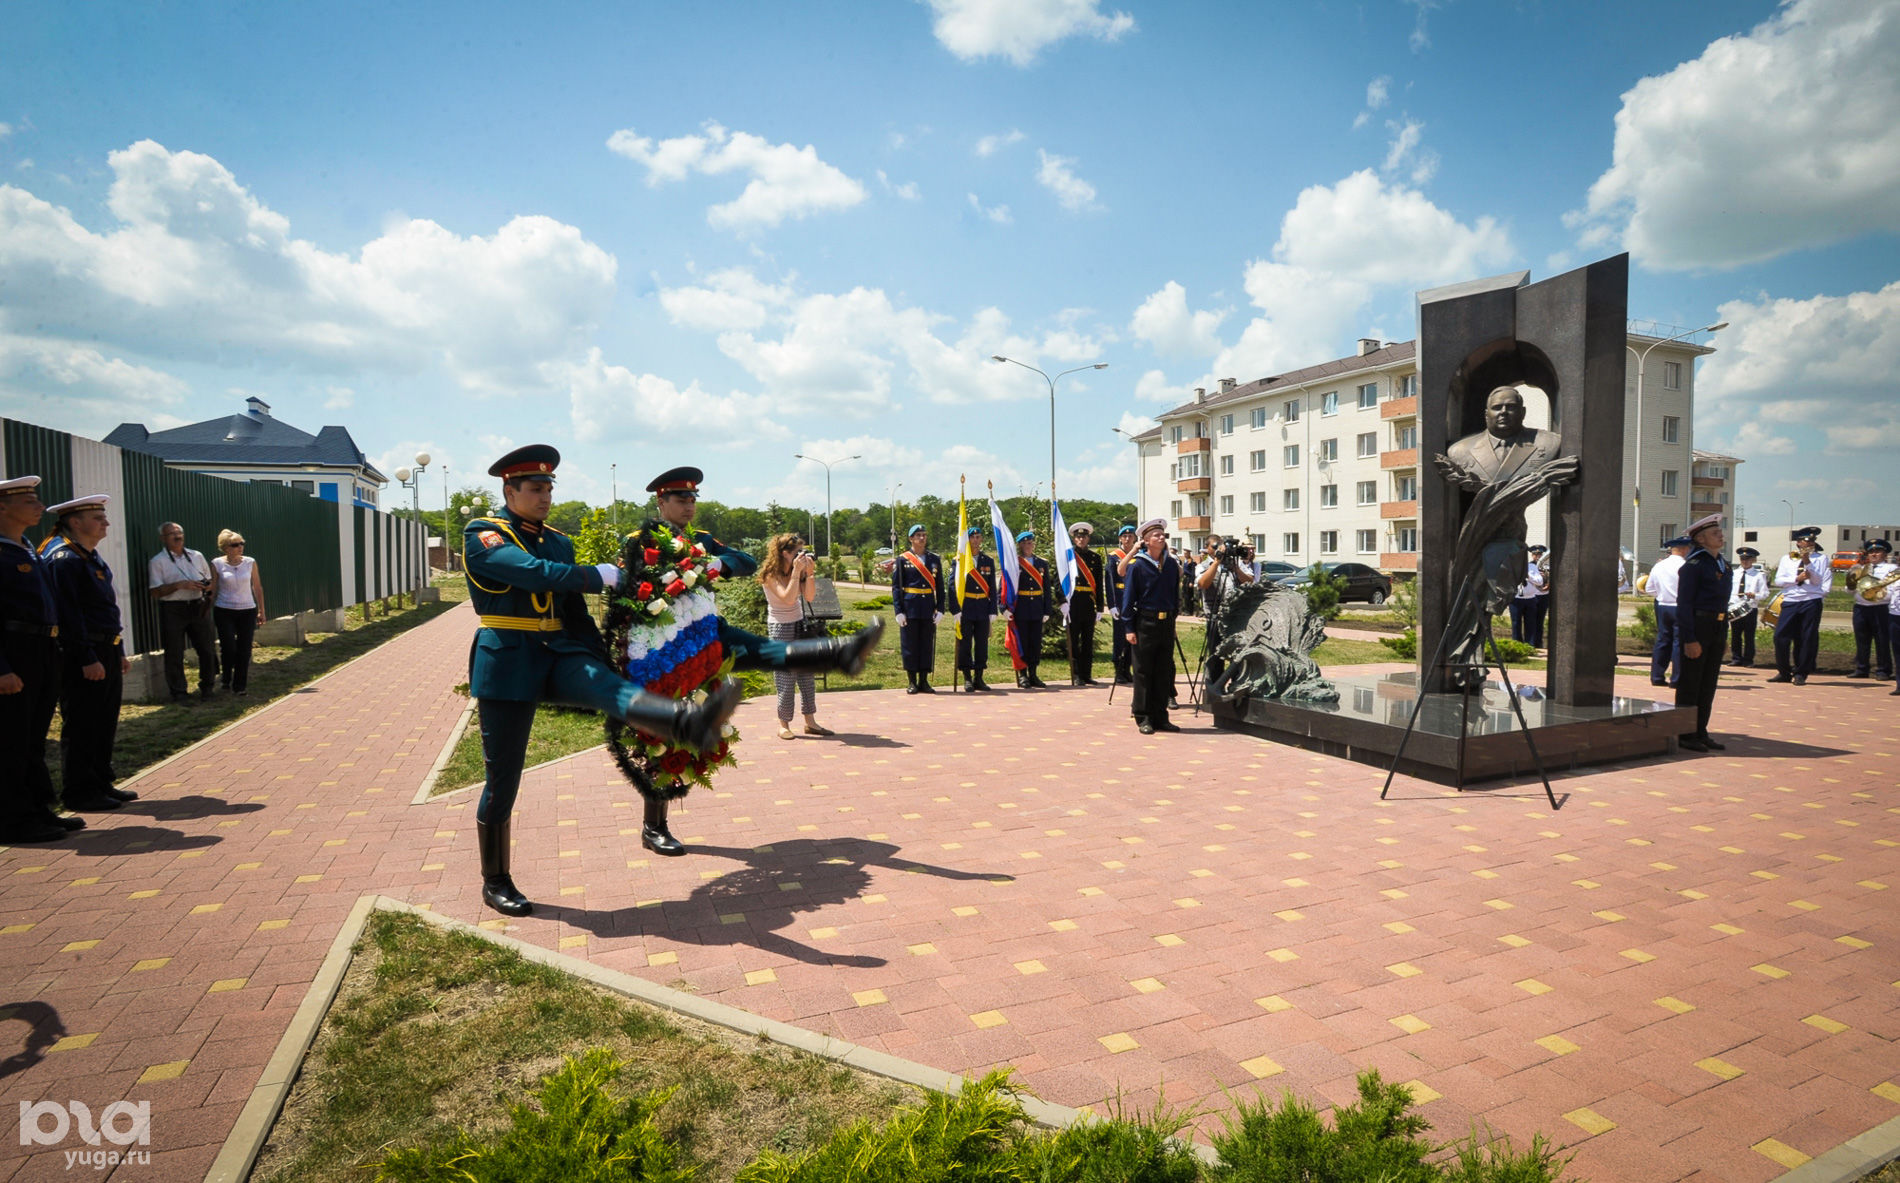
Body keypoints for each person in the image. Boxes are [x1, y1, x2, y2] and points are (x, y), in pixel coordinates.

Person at [463, 446, 743, 917]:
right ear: (509, 490)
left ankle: (685, 722)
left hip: (560, 650)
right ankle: (496, 879)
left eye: (550, 488)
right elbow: (529, 575)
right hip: (508, 659)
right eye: (536, 488)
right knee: (504, 776)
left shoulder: (557, 540)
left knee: (614, 691)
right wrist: (597, 575)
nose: (545, 496)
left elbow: (572, 612)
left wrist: (602, 656)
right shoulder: (485, 534)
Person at [604, 465, 883, 858]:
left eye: (692, 499)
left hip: (707, 631)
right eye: (681, 499)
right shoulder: (639, 540)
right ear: (660, 502)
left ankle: (839, 653)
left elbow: (747, 560)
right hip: (662, 649)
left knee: (760, 650)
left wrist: (720, 563)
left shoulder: (701, 540)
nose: (689, 505)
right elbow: (626, 590)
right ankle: (655, 825)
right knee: (663, 737)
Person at [0, 477, 84, 843]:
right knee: (11, 741)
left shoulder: (27, 549)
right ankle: (13, 820)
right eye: (29, 499)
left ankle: (37, 808)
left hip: (41, 652)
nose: (39, 506)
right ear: (2, 507)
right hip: (14, 652)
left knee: (33, 738)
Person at [44, 494, 138, 812]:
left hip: (105, 647)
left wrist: (119, 649)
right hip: (85, 651)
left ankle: (100, 781)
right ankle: (80, 791)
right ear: (75, 522)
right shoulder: (64, 559)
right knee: (83, 722)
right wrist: (86, 657)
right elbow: (69, 615)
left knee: (103, 720)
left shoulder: (89, 557)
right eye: (97, 518)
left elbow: (105, 610)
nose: (105, 522)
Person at [1673, 514, 1731, 753]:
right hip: (1698, 627)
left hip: (1717, 627)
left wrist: (1723, 636)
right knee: (1691, 683)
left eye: (1719, 531)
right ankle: (1685, 734)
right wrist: (1689, 638)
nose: (1721, 535)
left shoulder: (1723, 564)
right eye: (1715, 533)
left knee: (1708, 683)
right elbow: (1684, 605)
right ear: (1701, 539)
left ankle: (1700, 731)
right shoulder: (1693, 566)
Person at [760, 532, 827, 740]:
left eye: (803, 551)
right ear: (784, 553)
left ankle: (810, 722)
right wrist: (797, 572)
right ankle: (784, 724)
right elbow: (788, 599)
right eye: (797, 552)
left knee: (807, 675)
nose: (801, 555)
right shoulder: (770, 575)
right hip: (780, 627)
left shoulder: (797, 571)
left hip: (800, 625)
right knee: (786, 677)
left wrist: (810, 573)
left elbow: (809, 597)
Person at [1122, 518, 1181, 735]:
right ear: (1146, 541)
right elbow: (1128, 599)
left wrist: (1173, 620)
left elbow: (1175, 595)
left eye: (1162, 535)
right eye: (1156, 535)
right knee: (1144, 671)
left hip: (1165, 623)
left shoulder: (1171, 564)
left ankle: (1160, 716)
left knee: (1163, 671)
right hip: (1144, 623)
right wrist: (1129, 628)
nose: (1161, 538)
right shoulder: (1138, 565)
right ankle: (1143, 716)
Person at [147, 522, 219, 702]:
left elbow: (209, 580)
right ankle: (179, 692)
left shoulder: (196, 555)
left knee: (206, 648)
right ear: (163, 538)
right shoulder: (157, 561)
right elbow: (155, 592)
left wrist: (206, 588)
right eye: (171, 533)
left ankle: (208, 687)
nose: (177, 536)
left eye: (179, 532)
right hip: (173, 609)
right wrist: (179, 585)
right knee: (174, 651)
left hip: (197, 605)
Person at [1769, 527, 1832, 686]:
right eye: (1805, 541)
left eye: (1811, 541)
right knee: (1780, 636)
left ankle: (1801, 673)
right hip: (1791, 600)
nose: (1808, 543)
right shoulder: (1786, 559)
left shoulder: (1820, 558)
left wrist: (1807, 562)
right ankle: (1784, 671)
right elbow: (1779, 581)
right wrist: (1797, 578)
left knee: (1806, 638)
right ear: (1798, 543)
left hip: (1811, 600)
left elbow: (1817, 581)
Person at [1196, 534, 1255, 692]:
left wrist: (1234, 568)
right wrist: (1216, 562)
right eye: (1214, 547)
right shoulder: (1203, 566)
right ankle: (1215, 687)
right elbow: (1202, 583)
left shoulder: (1234, 564)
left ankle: (1237, 685)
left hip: (1235, 618)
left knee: (1238, 655)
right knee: (1216, 656)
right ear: (1207, 549)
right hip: (1215, 618)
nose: (1218, 549)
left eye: (1220, 546)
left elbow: (1250, 582)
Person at [211, 529, 266, 696]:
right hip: (224, 609)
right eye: (235, 545)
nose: (240, 547)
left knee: (244, 648)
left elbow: (257, 587)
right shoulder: (217, 563)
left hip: (247, 609)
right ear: (226, 547)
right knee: (228, 647)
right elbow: (213, 588)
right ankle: (226, 677)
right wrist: (207, 607)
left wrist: (261, 610)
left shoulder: (250, 562)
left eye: (242, 543)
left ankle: (240, 685)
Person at [892, 524, 945, 693]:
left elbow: (940, 586)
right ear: (911, 539)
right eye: (918, 535)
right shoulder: (902, 560)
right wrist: (899, 611)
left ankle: (924, 680)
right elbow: (896, 587)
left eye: (924, 535)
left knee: (925, 645)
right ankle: (912, 681)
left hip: (928, 608)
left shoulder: (934, 559)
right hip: (910, 608)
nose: (922, 538)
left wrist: (941, 608)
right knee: (910, 645)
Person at [954, 525, 999, 691]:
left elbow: (992, 587)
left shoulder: (988, 561)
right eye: (972, 537)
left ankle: (979, 677)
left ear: (981, 539)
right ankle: (966, 677)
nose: (975, 540)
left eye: (978, 537)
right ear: (968, 539)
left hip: (982, 607)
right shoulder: (959, 561)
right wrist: (955, 609)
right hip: (965, 607)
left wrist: (993, 609)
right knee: (965, 644)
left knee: (982, 645)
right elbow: (953, 586)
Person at [1646, 537, 1690, 687]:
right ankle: (1677, 679)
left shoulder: (1659, 566)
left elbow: (1649, 588)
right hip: (1680, 606)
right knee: (1679, 642)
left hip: (1663, 605)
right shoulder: (1686, 565)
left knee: (1662, 641)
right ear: (1684, 549)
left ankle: (1657, 676)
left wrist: (1662, 595)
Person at [1065, 522, 1104, 686]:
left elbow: (1098, 584)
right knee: (1074, 641)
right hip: (1073, 603)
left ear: (1088, 538)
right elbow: (1062, 580)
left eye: (1084, 536)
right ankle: (1076, 675)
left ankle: (1086, 674)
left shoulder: (1095, 558)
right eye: (1078, 536)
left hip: (1089, 603)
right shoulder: (1069, 557)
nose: (1081, 539)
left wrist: (1100, 607)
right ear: (1074, 539)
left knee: (1087, 642)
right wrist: (1062, 601)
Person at [1011, 529, 1052, 689]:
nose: (1029, 545)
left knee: (1035, 643)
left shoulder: (1042, 563)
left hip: (1036, 608)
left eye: (1031, 542)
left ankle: (1033, 674)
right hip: (1021, 607)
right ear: (1020, 545)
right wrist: (1005, 608)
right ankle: (1023, 675)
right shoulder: (1015, 562)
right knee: (1022, 642)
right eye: (1026, 543)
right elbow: (1006, 587)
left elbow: (1047, 589)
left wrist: (1047, 610)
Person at [1850, 539, 1895, 680]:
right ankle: (1861, 668)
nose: (1874, 554)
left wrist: (1877, 593)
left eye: (1877, 551)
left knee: (1881, 639)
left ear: (1885, 553)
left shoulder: (1891, 569)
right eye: (1871, 552)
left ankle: (1883, 670)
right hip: (1860, 607)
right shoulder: (1861, 568)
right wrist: (1851, 584)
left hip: (1880, 608)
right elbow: (1849, 589)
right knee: (1861, 639)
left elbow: (1893, 589)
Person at [1726, 547, 1768, 667]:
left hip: (1750, 607)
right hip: (1734, 607)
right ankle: (1736, 658)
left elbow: (1765, 594)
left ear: (1753, 560)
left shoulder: (1759, 575)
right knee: (1735, 634)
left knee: (1749, 635)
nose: (1745, 561)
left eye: (1748, 559)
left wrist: (1755, 595)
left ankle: (1748, 659)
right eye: (1742, 559)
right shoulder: (1734, 573)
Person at [1107, 524, 1136, 684]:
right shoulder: (1113, 557)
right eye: (1124, 537)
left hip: (1133, 601)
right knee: (1119, 637)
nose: (1127, 539)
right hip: (1119, 599)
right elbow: (1110, 581)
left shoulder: (1138, 555)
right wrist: (1111, 604)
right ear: (1120, 539)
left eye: (1130, 536)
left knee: (1132, 638)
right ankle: (1118, 668)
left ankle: (1127, 668)